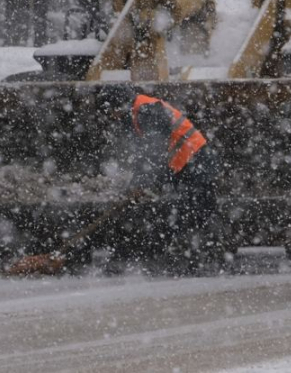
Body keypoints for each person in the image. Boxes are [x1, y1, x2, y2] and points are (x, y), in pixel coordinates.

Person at [95, 84, 223, 272]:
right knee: (188, 211)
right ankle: (196, 257)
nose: (112, 117)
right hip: (185, 164)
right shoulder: (136, 112)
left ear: (119, 105)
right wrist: (136, 183)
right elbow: (144, 153)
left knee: (196, 211)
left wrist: (141, 182)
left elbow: (153, 151)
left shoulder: (148, 110)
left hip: (195, 161)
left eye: (112, 112)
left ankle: (204, 258)